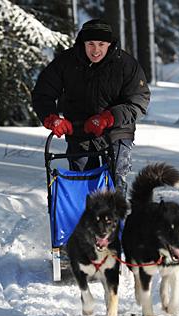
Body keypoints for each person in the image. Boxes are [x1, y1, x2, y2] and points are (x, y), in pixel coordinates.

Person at [32, 18, 150, 196]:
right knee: (83, 183)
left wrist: (109, 117)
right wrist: (52, 118)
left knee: (115, 177)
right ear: (83, 43)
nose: (96, 50)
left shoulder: (126, 64)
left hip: (116, 130)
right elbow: (42, 93)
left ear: (109, 44)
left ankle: (117, 219)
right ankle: (86, 219)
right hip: (80, 130)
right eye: (91, 44)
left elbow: (139, 101)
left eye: (101, 44)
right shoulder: (65, 62)